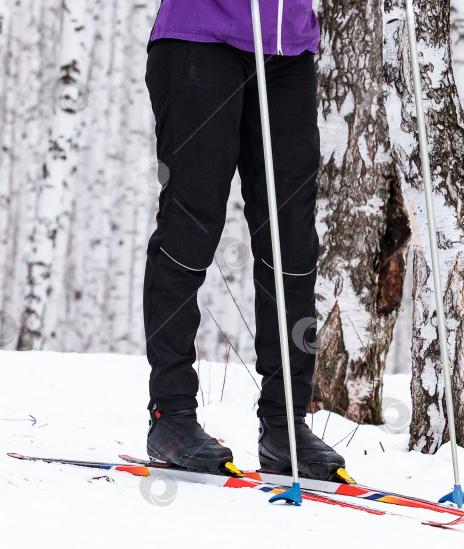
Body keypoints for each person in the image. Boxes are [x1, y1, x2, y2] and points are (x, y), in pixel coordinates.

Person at [142, 0, 344, 480]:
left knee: (290, 236)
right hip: (199, 37)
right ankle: (170, 415)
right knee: (191, 223)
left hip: (287, 48)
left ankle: (284, 423)